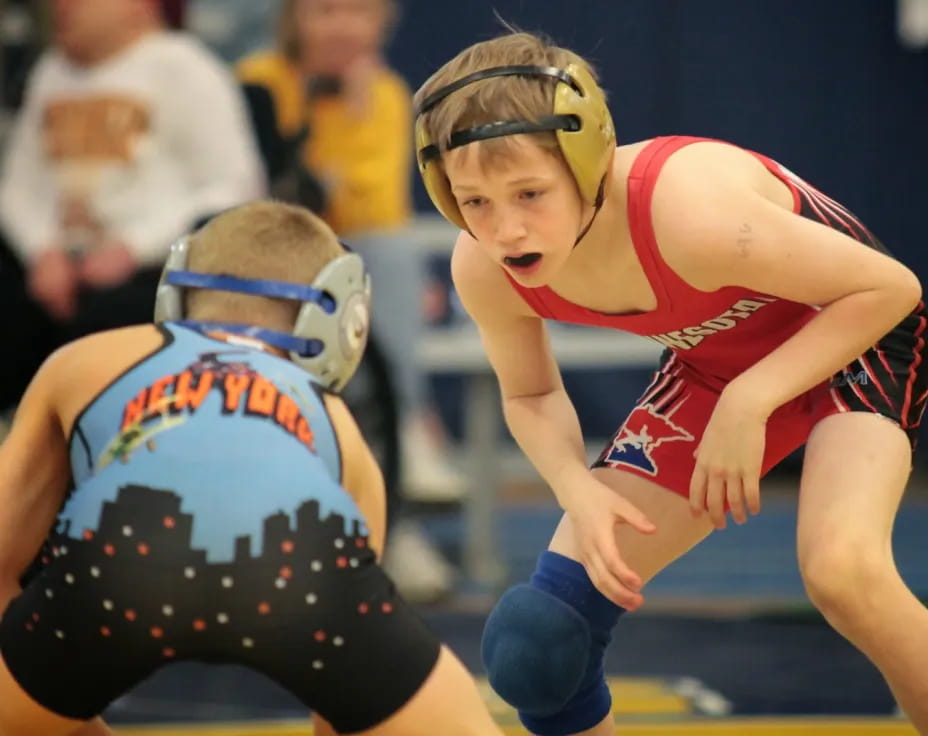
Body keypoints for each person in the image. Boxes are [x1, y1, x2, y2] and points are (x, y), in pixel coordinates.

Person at [412, 30, 928, 736]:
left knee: (842, 571)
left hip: (850, 335)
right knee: (540, 641)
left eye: (530, 193)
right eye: (473, 202)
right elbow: (530, 394)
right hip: (718, 362)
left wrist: (751, 400)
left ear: (587, 161)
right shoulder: (485, 268)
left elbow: (890, 289)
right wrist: (577, 490)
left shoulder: (689, 214)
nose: (506, 229)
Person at [0, 200, 503, 736]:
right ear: (345, 323)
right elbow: (344, 702)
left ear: (176, 289)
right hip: (298, 575)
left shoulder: (86, 360)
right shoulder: (335, 421)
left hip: (117, 562)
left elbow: (4, 553)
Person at [236, 0, 468, 507]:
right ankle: (407, 424)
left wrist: (356, 116)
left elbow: (375, 208)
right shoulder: (259, 81)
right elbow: (272, 196)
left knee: (393, 252)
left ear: (382, 24)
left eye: (359, 12)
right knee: (386, 261)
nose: (342, 26)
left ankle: (402, 426)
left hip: (354, 264)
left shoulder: (383, 95)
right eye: (325, 11)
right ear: (294, 19)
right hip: (272, 253)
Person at [0, 0, 264, 414]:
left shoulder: (187, 70)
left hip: (150, 273)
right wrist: (42, 252)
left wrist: (133, 248)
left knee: (109, 323)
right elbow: (18, 186)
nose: (60, 6)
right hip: (55, 268)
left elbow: (233, 187)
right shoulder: (51, 72)